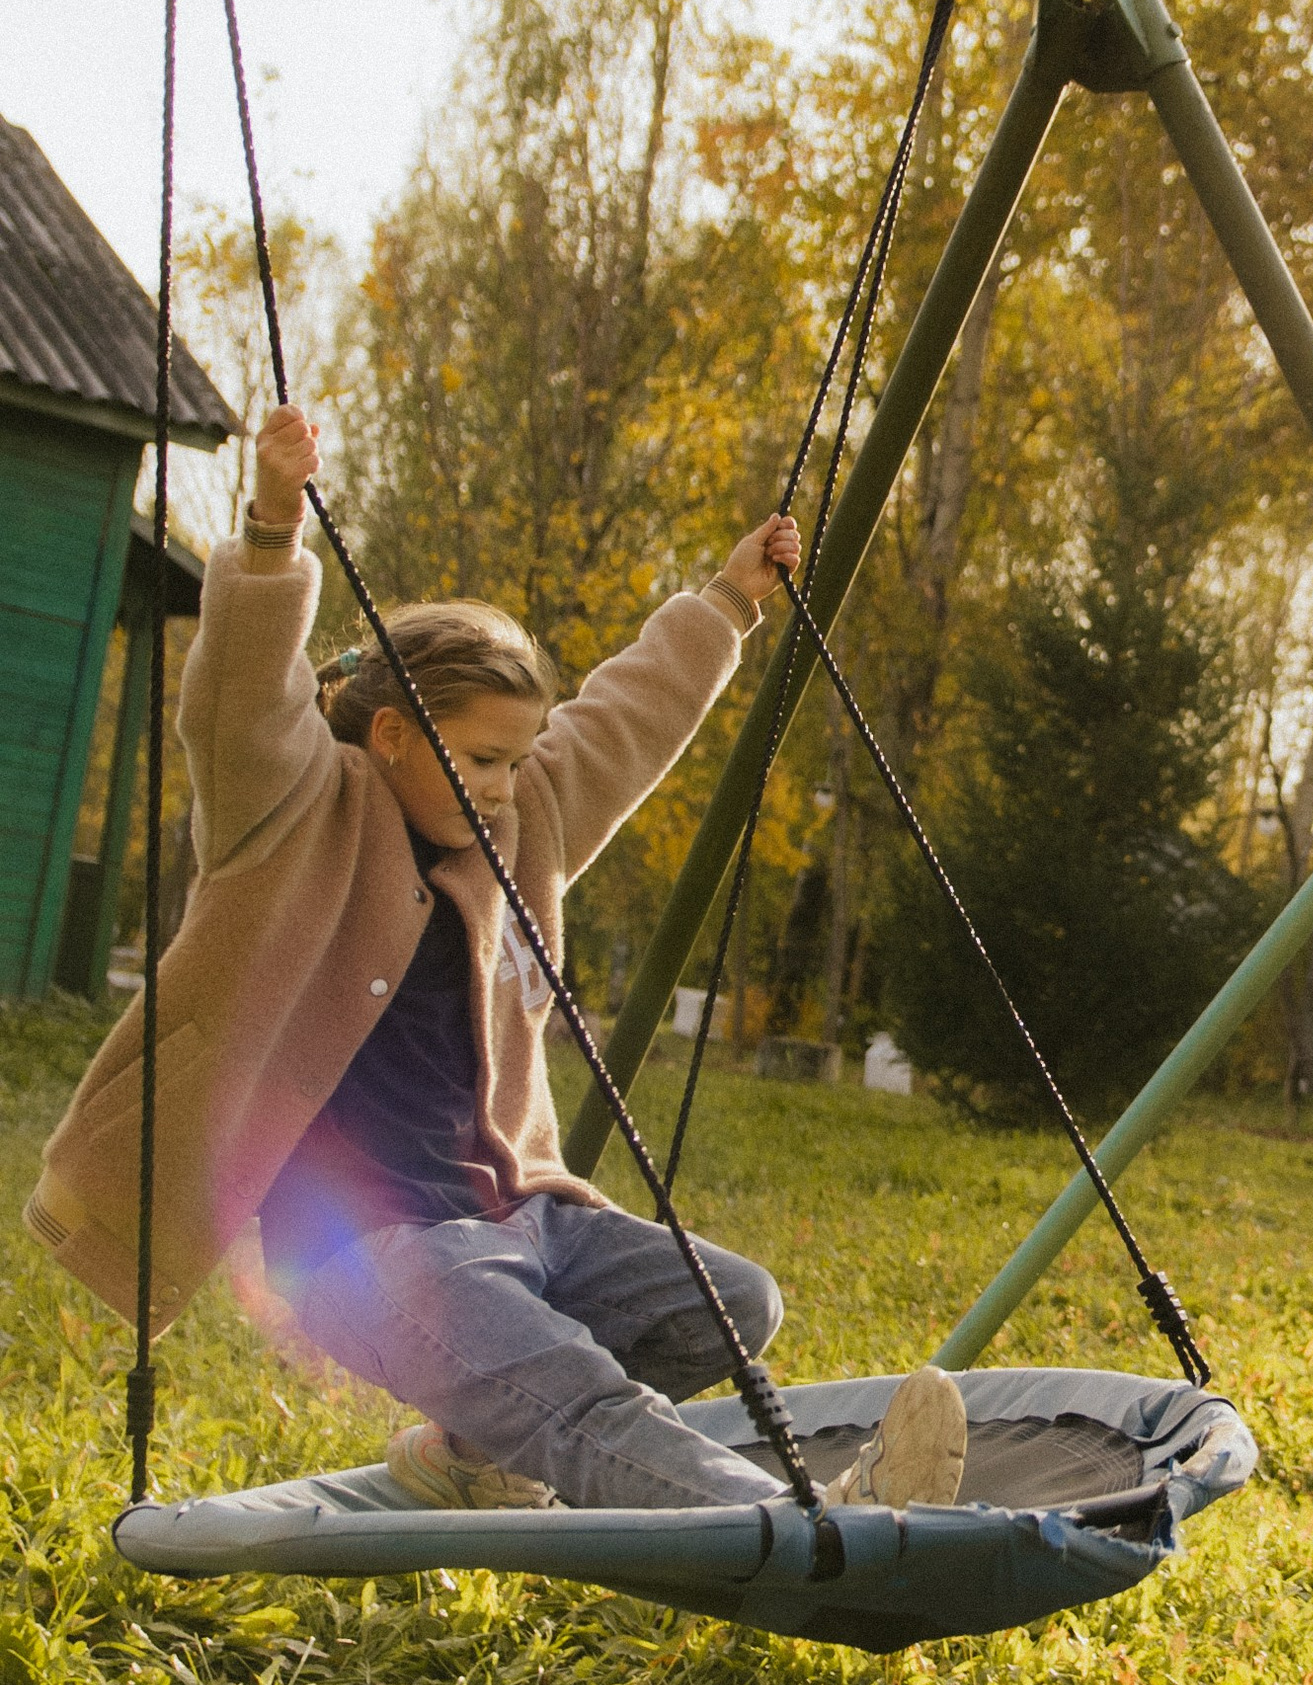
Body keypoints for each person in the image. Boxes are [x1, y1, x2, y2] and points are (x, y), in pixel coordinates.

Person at [29, 402, 967, 1518]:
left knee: (729, 1305)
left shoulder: (522, 823)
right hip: (372, 1251)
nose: (505, 785)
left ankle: (472, 1456)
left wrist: (726, 604)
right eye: (479, 758)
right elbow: (234, 699)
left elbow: (627, 717)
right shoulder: (289, 813)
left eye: (519, 760)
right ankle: (816, 1519)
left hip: (520, 1217)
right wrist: (276, 526)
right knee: (580, 1398)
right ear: (389, 738)